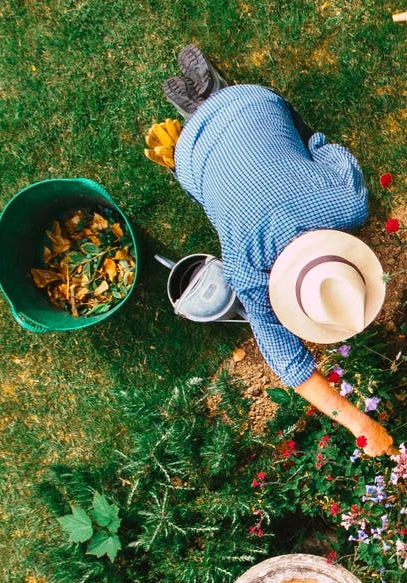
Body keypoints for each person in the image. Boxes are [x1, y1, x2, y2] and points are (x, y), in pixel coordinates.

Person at [163, 45, 394, 456]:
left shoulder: (348, 204)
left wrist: (363, 424)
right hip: (191, 157)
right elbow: (287, 360)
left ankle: (208, 98)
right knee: (218, 176)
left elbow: (326, 149)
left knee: (272, 141)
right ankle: (201, 107)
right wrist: (359, 424)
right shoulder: (245, 270)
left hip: (253, 102)